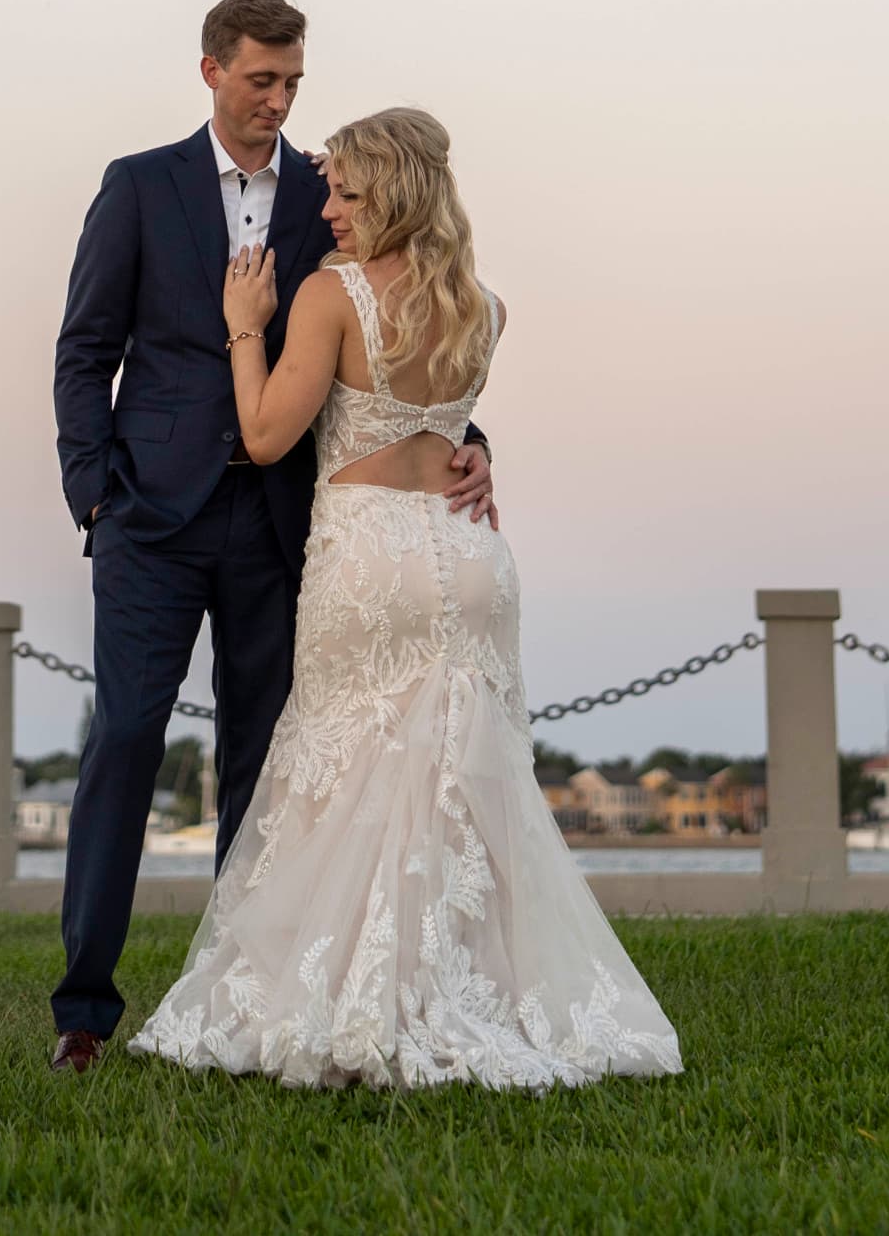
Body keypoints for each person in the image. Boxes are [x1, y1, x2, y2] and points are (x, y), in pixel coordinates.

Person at [128, 105, 682, 1090]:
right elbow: (450, 429)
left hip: (370, 557)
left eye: (343, 190)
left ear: (390, 190)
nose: (327, 208)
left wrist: (242, 329)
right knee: (470, 789)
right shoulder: (485, 304)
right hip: (471, 559)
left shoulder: (330, 296)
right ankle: (480, 991)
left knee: (339, 782)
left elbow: (262, 437)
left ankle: (348, 995)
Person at [48, 0, 495, 1072]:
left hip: (283, 523)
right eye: (260, 80)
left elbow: (397, 327)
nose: (279, 100)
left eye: (292, 81)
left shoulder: (328, 194)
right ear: (210, 70)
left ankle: (238, 1002)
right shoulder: (138, 186)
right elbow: (84, 349)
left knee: (264, 764)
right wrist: (95, 498)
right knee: (124, 743)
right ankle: (83, 1013)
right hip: (150, 521)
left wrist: (467, 437)